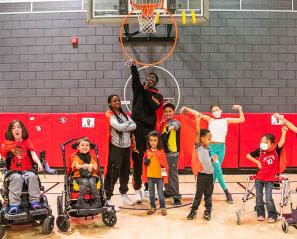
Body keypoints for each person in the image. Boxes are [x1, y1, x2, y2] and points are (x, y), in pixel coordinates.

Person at [180, 105, 245, 204]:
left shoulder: (226, 120)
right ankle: (227, 193)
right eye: (214, 110)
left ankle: (208, 193)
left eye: (217, 110)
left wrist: (240, 109)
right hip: (212, 148)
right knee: (218, 169)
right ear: (211, 113)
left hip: (222, 149)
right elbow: (198, 113)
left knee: (214, 172)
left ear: (221, 110)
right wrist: (187, 109)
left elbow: (241, 119)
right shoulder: (210, 120)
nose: (216, 112)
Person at [127, 60, 163, 203]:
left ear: (156, 83)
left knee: (151, 160)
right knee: (136, 160)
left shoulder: (157, 96)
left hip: (149, 130)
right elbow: (135, 80)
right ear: (145, 79)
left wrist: (147, 89)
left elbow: (153, 106)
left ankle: (149, 188)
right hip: (136, 129)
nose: (150, 79)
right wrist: (133, 67)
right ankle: (137, 190)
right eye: (148, 77)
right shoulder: (139, 89)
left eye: (153, 79)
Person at [0, 120, 44, 214]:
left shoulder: (27, 142)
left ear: (22, 130)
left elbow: (33, 154)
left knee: (32, 176)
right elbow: (2, 157)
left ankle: (35, 201)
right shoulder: (7, 144)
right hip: (13, 172)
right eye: (13, 127)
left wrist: (39, 163)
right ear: (10, 131)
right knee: (17, 178)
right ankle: (14, 205)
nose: (16, 129)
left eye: (18, 127)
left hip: (27, 170)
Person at [246, 126, 288, 223]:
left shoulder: (276, 150)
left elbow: (281, 143)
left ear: (272, 144)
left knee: (268, 198)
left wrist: (284, 132)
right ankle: (260, 214)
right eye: (262, 142)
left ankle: (272, 215)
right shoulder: (259, 151)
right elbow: (248, 156)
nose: (262, 144)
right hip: (259, 178)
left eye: (265, 142)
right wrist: (257, 162)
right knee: (259, 197)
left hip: (270, 179)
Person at [104, 94, 136, 210]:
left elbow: (135, 125)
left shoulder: (124, 114)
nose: (117, 102)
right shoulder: (109, 115)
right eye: (114, 101)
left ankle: (124, 195)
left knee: (125, 172)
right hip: (116, 148)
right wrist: (127, 125)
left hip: (126, 147)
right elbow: (119, 127)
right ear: (110, 103)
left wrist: (124, 125)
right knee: (113, 173)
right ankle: (108, 198)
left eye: (118, 100)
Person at [159, 103, 181, 205]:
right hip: (162, 155)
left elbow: (176, 126)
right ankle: (168, 191)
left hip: (172, 154)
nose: (168, 113)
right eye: (166, 111)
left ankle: (176, 196)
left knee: (173, 175)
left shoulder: (176, 122)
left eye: (170, 111)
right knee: (164, 173)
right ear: (164, 112)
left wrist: (171, 127)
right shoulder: (162, 123)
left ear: (173, 112)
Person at [142, 131, 169, 216]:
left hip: (159, 177)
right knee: (151, 194)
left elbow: (164, 165)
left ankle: (163, 207)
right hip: (150, 177)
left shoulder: (161, 151)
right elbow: (145, 164)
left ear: (158, 141)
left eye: (155, 140)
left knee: (161, 194)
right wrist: (148, 159)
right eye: (151, 140)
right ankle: (152, 207)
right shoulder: (147, 152)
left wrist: (165, 178)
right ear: (149, 141)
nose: (153, 142)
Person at [71, 137, 101, 209]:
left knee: (92, 182)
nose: (85, 147)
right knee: (84, 182)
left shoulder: (91, 157)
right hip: (79, 176)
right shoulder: (76, 157)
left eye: (87, 145)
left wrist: (92, 166)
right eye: (82, 145)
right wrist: (84, 166)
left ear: (90, 147)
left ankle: (96, 200)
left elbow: (95, 167)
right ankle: (80, 201)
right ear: (78, 147)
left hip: (91, 175)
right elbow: (75, 166)